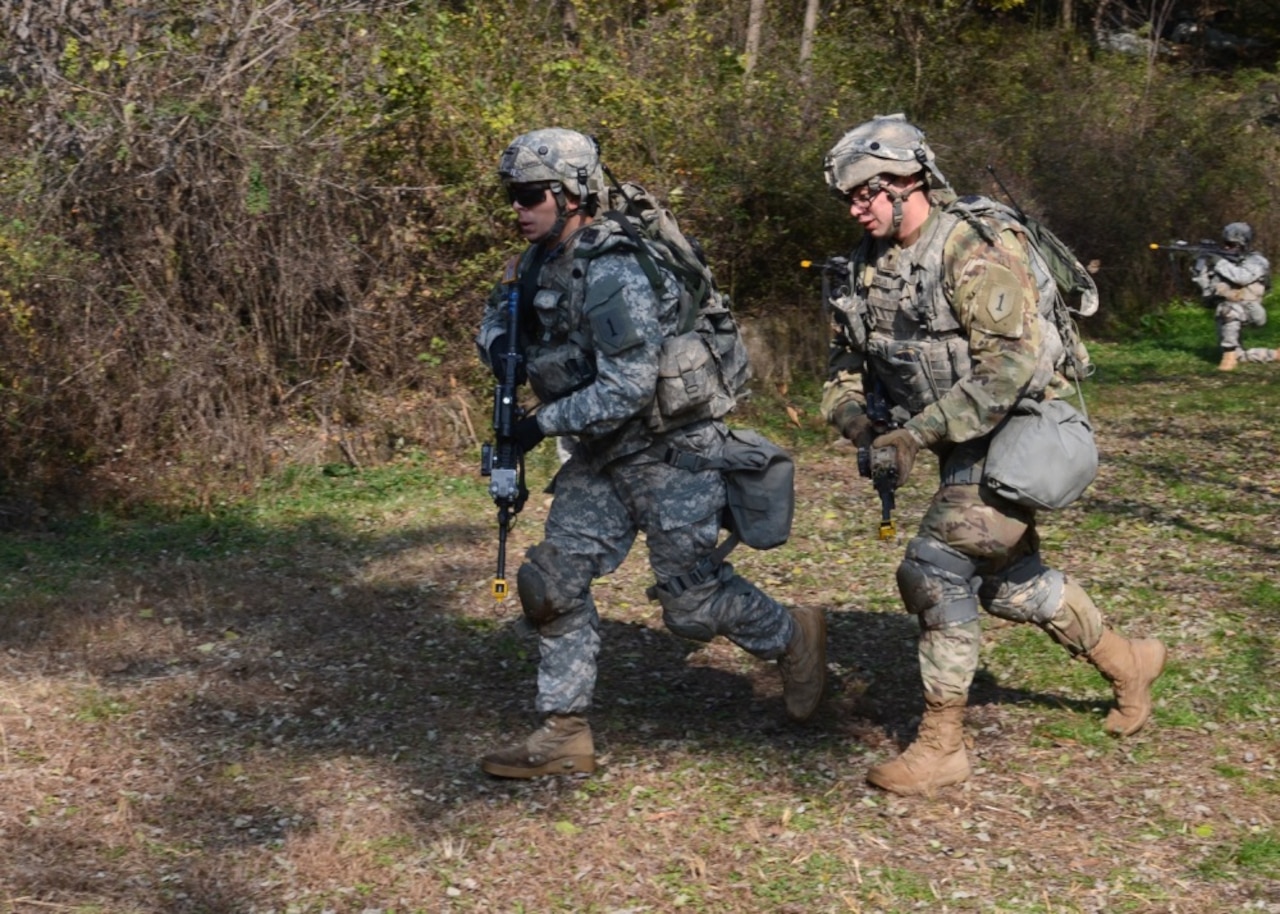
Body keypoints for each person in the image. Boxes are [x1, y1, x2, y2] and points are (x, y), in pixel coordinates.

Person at [819, 114, 1167, 796]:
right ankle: (1130, 664)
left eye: (866, 192)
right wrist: (861, 423)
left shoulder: (974, 248)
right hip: (958, 438)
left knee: (934, 566)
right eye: (850, 199)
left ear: (908, 182)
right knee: (1012, 584)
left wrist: (914, 436)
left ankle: (942, 746)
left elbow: (1010, 368)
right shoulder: (865, 268)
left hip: (1025, 426)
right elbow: (840, 367)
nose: (856, 208)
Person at [475, 127, 826, 778]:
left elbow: (629, 387)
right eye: (511, 196)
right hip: (603, 454)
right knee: (549, 583)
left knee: (692, 605)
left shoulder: (614, 268)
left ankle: (794, 636)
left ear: (572, 194)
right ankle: (564, 730)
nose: (517, 209)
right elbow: (498, 315)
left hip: (670, 451)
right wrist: (501, 348)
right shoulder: (537, 260)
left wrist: (538, 425)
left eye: (529, 195)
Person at [1190, 222, 1275, 371]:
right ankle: (1274, 355)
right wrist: (1200, 271)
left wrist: (1219, 261)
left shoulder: (1257, 261)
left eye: (1232, 244)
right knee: (1238, 354)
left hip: (1251, 310)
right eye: (1226, 244)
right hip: (1228, 313)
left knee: (1227, 308)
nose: (1227, 248)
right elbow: (1208, 291)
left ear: (1244, 244)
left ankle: (1228, 357)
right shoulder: (1225, 263)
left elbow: (1241, 277)